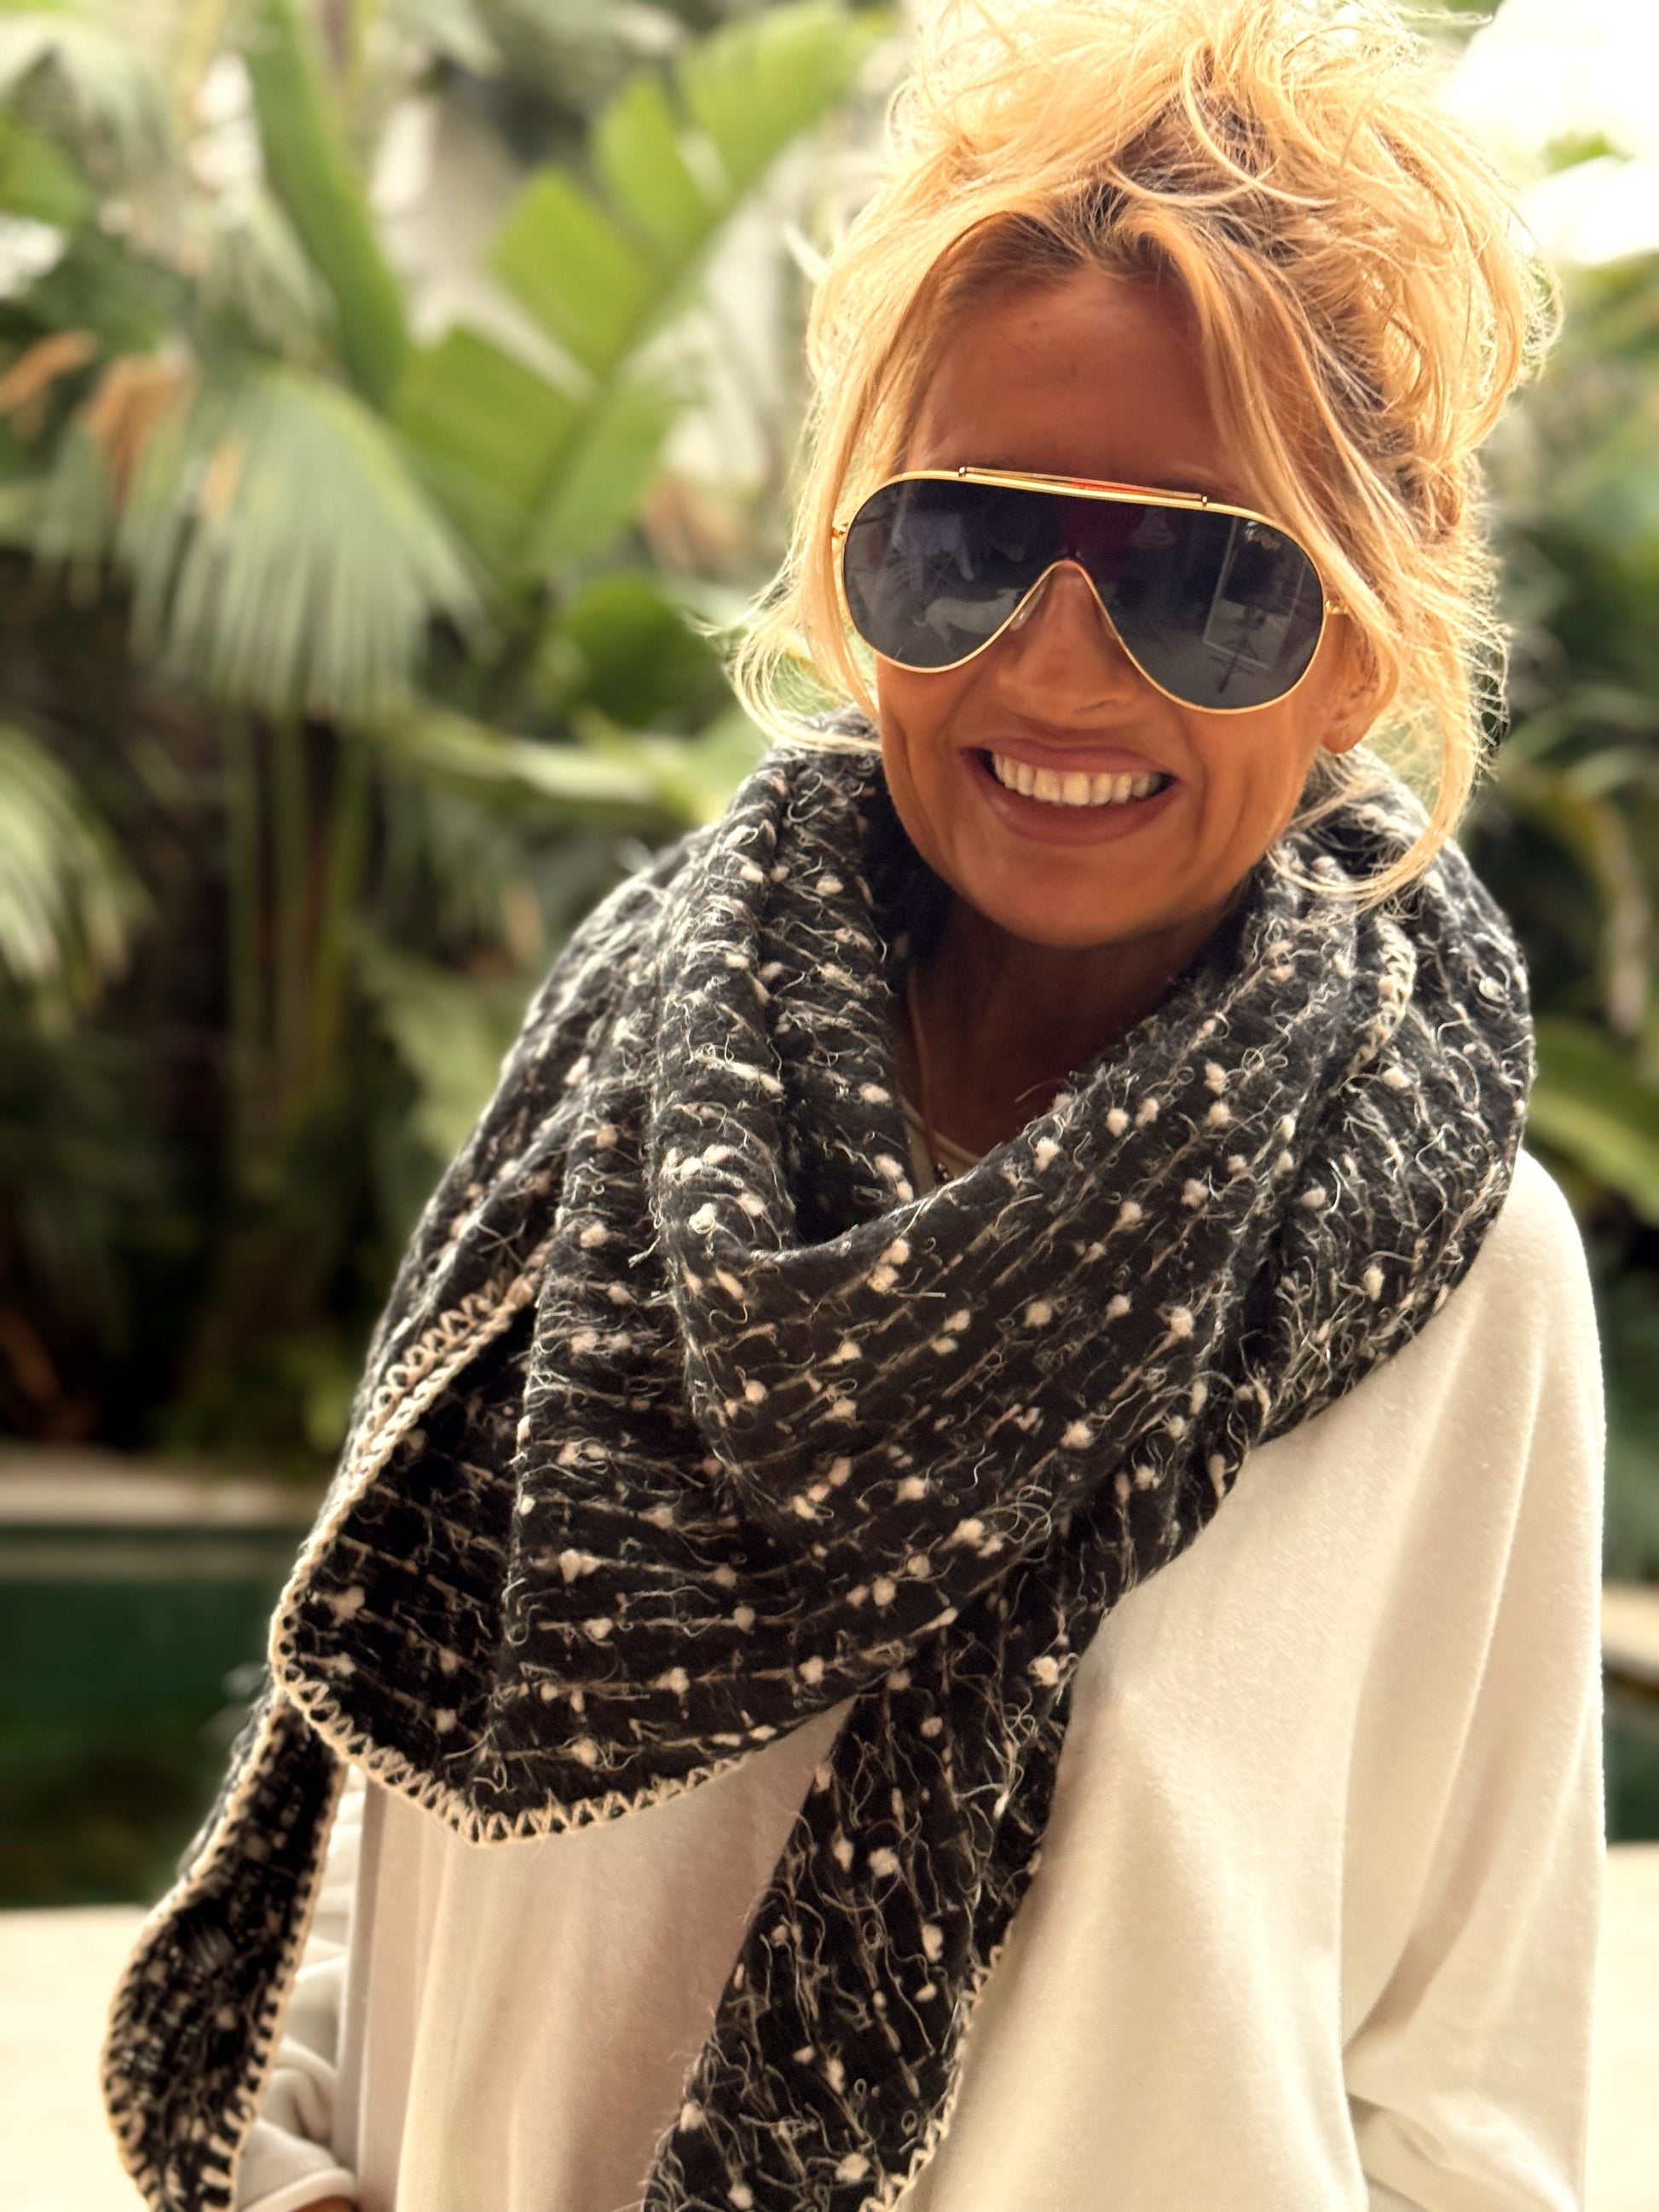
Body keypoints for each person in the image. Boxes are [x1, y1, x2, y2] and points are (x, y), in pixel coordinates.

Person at [101, 2, 1606, 2209]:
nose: (1058, 667)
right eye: (964, 545)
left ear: (1356, 650)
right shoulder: (627, 1086)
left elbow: (1463, 2106)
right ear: (848, 574)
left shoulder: (1456, 1274)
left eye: (1204, 580)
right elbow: (401, 1764)